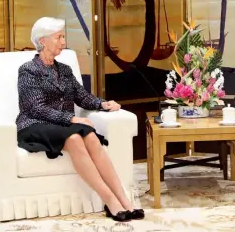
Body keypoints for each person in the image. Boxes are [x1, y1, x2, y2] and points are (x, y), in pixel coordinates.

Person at [15, 17, 144, 222]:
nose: (63, 42)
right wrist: (72, 119)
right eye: (59, 37)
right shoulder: (28, 70)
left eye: (63, 36)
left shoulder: (65, 70)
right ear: (43, 41)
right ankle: (110, 200)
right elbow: (35, 108)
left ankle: (124, 199)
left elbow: (82, 97)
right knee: (75, 138)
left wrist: (103, 104)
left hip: (62, 125)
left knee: (91, 136)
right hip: (33, 125)